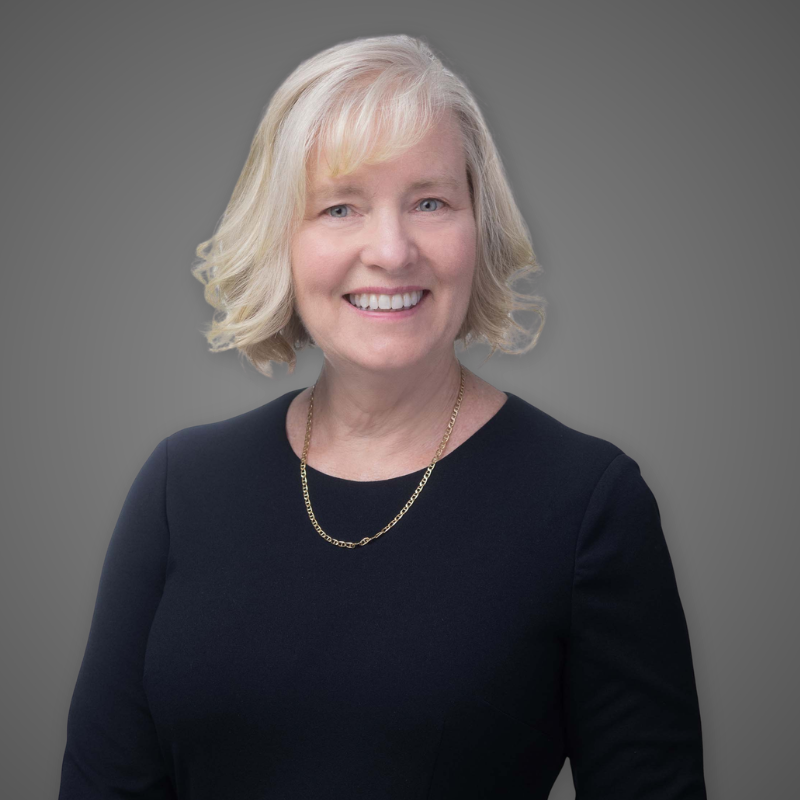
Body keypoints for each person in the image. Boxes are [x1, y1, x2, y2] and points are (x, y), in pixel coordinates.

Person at [58, 34, 707, 799]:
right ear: (283, 243)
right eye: (340, 207)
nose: (392, 251)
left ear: (479, 228)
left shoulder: (587, 503)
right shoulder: (180, 488)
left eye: (430, 201)